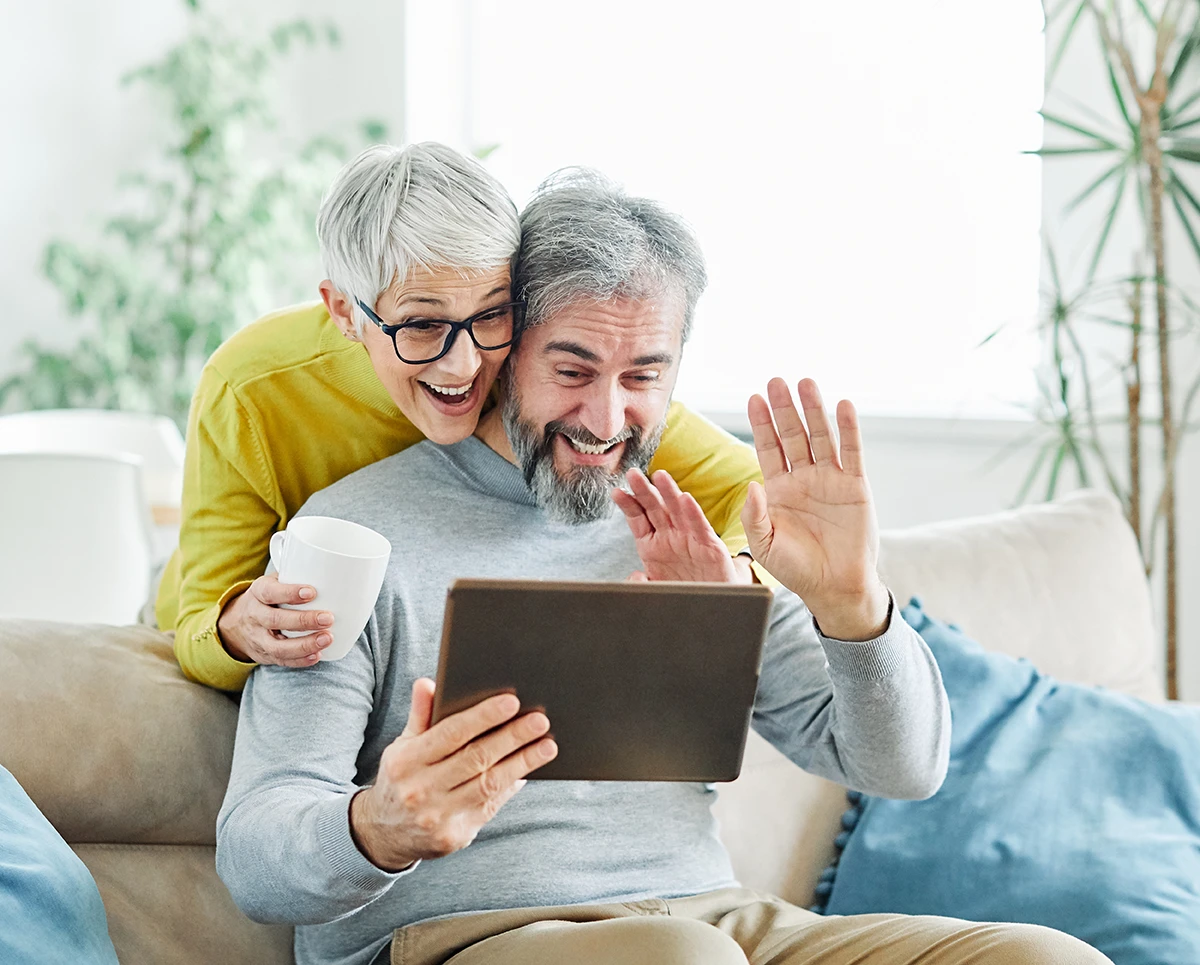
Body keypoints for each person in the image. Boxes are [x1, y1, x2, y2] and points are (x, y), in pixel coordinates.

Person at [216, 171, 1111, 965]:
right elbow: (255, 853)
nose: (607, 417)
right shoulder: (352, 532)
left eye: (645, 374)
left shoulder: (689, 534)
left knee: (1047, 957)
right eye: (573, 369)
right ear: (506, 342)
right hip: (464, 935)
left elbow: (905, 765)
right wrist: (381, 823)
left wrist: (853, 602)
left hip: (717, 924)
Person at [154, 142, 764, 692]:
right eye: (421, 326)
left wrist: (734, 582)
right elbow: (196, 621)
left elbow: (752, 491)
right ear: (344, 310)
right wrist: (236, 631)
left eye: (491, 315)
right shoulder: (252, 387)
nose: (465, 364)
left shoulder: (538, 374)